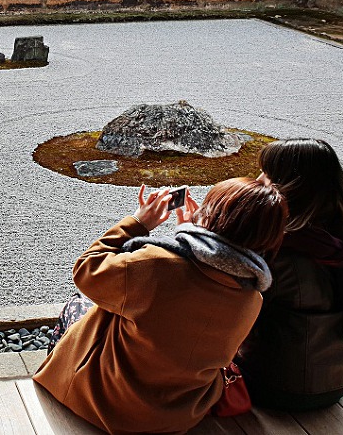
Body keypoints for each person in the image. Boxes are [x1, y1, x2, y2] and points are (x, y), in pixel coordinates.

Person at [34, 178, 287, 435]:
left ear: (212, 215)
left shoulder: (156, 264)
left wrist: (139, 222)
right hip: (178, 417)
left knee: (78, 304)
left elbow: (86, 269)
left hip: (106, 405)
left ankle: (61, 376)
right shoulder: (252, 299)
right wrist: (191, 240)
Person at [235, 138, 343, 411]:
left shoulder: (279, 244)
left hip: (275, 385)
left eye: (268, 174)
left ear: (293, 185)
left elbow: (232, 306)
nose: (259, 180)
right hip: (339, 381)